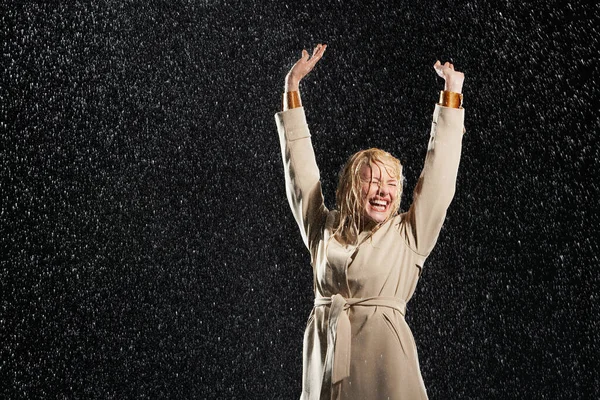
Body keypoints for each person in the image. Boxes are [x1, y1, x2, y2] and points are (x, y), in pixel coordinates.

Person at [275, 43, 465, 400]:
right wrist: (292, 91)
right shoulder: (324, 230)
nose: (384, 191)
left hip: (386, 375)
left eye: (392, 183)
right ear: (350, 187)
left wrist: (451, 97)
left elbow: (439, 177)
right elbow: (300, 175)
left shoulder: (408, 234)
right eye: (373, 181)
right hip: (326, 367)